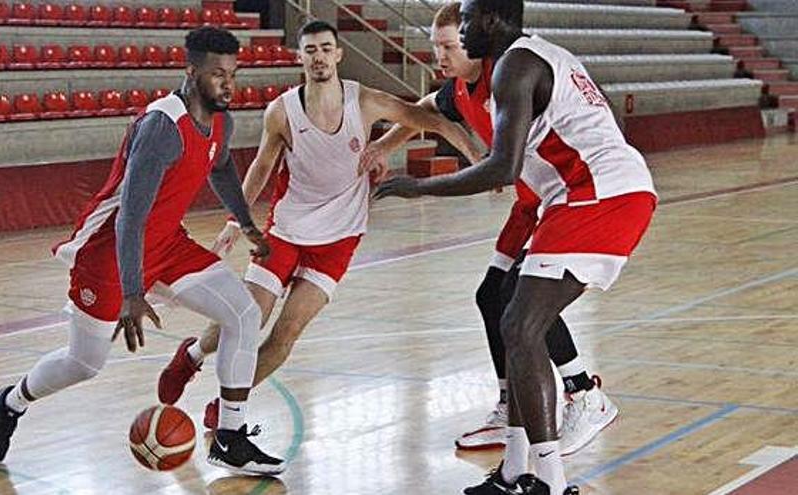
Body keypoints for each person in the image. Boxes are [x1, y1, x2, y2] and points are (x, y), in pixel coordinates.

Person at [374, 1, 657, 493]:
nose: (457, 39)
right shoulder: (531, 59)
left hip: (595, 194)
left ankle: (551, 468)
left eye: (461, 28)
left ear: (490, 22)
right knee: (507, 309)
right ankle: (514, 470)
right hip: (576, 193)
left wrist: (417, 188)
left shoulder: (515, 65)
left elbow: (502, 169)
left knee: (520, 325)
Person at [0, 26, 285, 476]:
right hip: (110, 254)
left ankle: (230, 437)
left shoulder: (221, 119)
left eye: (233, 74)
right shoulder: (163, 127)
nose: (228, 84)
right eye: (218, 74)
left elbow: (218, 168)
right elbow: (129, 218)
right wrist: (132, 291)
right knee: (84, 363)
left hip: (166, 244)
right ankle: (10, 402)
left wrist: (246, 223)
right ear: (190, 70)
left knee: (243, 313)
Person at [155, 19, 484, 431]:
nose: (319, 57)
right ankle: (192, 357)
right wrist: (234, 222)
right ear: (300, 57)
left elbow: (430, 119)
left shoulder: (363, 101)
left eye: (326, 49)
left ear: (339, 54)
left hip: (339, 239)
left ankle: (229, 405)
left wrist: (477, 155)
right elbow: (261, 167)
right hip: (287, 231)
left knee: (286, 334)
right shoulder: (283, 111)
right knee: (245, 315)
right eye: (310, 50)